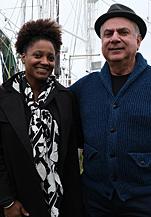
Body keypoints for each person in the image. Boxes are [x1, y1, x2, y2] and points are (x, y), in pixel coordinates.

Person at [0, 19, 84, 217]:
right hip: (17, 202)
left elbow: (72, 157)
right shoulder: (2, 97)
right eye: (37, 55)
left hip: (59, 202)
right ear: (23, 56)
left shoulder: (65, 98)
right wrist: (6, 201)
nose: (45, 62)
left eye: (50, 57)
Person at [69, 3, 151, 217]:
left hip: (144, 201)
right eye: (108, 34)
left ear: (138, 40)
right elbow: (51, 102)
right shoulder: (83, 87)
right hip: (95, 201)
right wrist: (12, 90)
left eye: (123, 32)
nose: (114, 38)